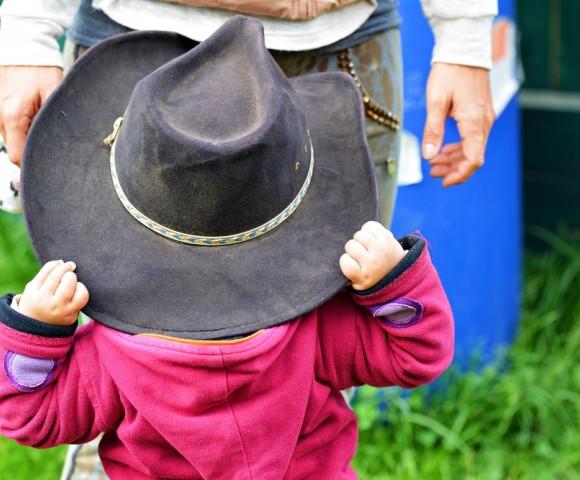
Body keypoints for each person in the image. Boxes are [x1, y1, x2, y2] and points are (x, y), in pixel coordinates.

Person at [0, 18, 453, 479]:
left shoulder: (111, 356)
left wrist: (35, 331)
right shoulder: (312, 329)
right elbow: (419, 354)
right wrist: (394, 283)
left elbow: (28, 415)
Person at [0, 0, 497, 228]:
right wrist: (26, 32)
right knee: (119, 347)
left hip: (337, 50)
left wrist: (465, 36)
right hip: (135, 41)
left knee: (327, 341)